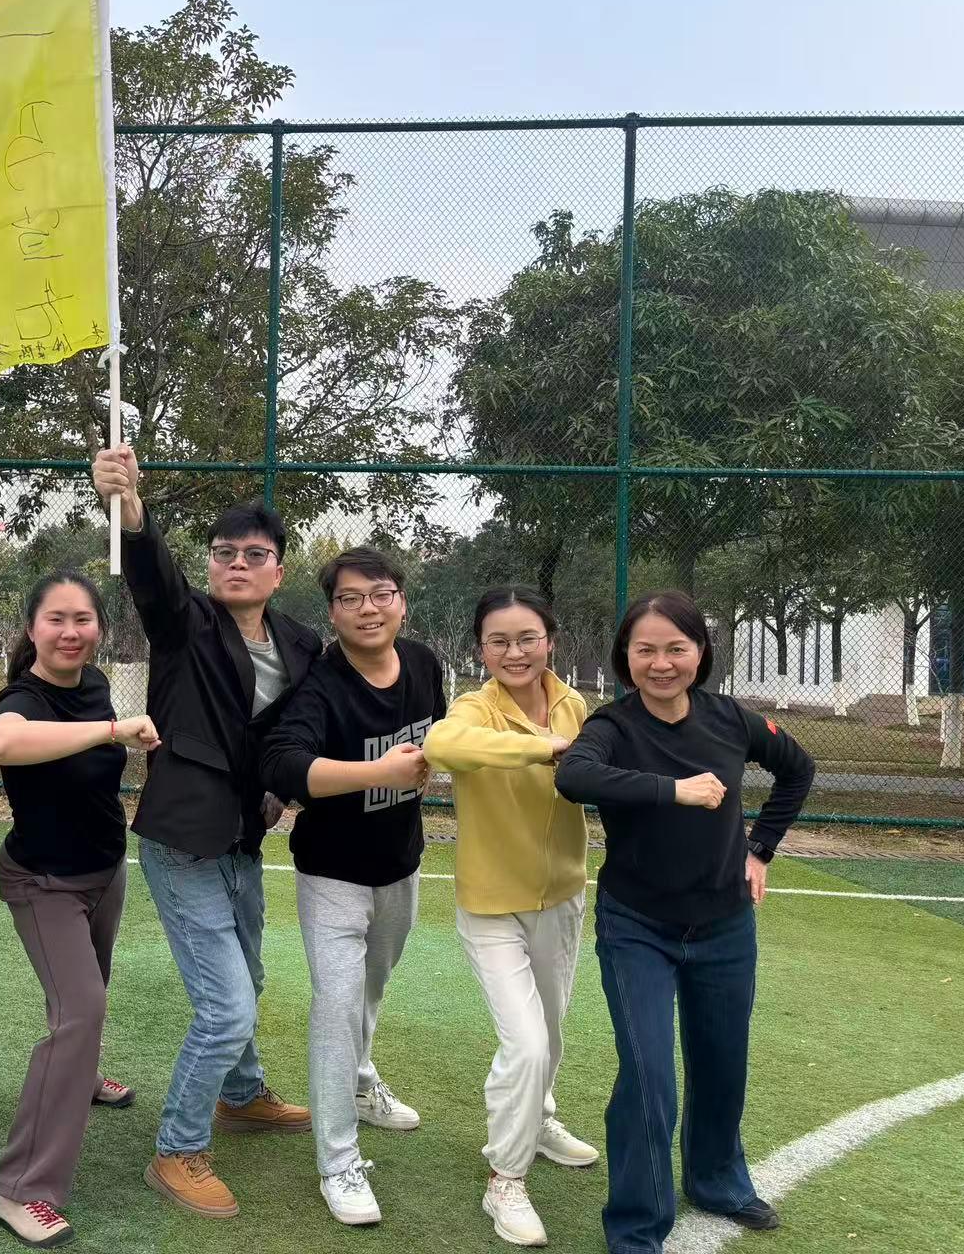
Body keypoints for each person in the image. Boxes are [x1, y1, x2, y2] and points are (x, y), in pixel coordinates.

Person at [91, 445, 321, 1220]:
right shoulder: (186, 624)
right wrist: (130, 506)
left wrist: (282, 791)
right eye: (224, 553)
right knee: (225, 1009)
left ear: (278, 570)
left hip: (245, 837)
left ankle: (242, 1096)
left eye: (254, 555)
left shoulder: (300, 644)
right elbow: (152, 576)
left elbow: (291, 731)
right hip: (182, 837)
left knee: (245, 983)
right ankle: (177, 1151)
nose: (237, 565)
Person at [555, 592, 815, 1254]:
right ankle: (637, 1227)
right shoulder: (612, 726)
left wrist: (760, 849)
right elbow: (575, 777)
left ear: (701, 653)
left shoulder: (729, 718)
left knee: (721, 1062)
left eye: (677, 648)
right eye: (645, 650)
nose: (661, 664)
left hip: (725, 925)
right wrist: (674, 789)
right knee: (649, 1079)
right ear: (625, 657)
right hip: (636, 925)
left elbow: (797, 769)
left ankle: (717, 1180)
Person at [260, 547, 446, 1227]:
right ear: (332, 612)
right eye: (350, 598)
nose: (368, 609)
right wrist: (378, 774)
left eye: (381, 594)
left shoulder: (423, 664)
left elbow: (441, 739)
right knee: (336, 1007)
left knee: (370, 991)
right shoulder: (319, 684)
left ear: (401, 602)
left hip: (400, 864)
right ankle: (338, 1161)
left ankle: (361, 1085)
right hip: (332, 874)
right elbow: (284, 766)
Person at [0, 571, 163, 1248]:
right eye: (55, 619)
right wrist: (110, 729)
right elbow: (4, 744)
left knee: (89, 996)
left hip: (103, 870)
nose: (69, 632)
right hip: (44, 882)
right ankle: (19, 1185)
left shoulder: (93, 684)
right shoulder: (22, 698)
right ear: (32, 628)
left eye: (82, 619)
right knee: (80, 1011)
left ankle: (81, 1076)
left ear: (99, 629)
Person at [425, 586, 598, 1248]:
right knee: (524, 1043)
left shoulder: (573, 703)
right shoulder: (473, 709)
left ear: (549, 640)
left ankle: (539, 1120)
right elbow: (444, 745)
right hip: (492, 905)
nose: (515, 652)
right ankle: (505, 1178)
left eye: (527, 638)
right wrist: (542, 748)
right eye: (498, 641)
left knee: (549, 1034)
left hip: (562, 896)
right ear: (481, 650)